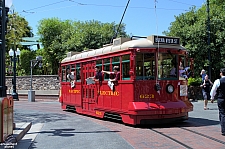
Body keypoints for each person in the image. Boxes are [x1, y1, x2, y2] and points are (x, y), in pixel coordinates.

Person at [210, 68, 225, 136]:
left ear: (221, 73)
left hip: (221, 98)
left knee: (222, 114)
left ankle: (224, 130)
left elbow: (213, 90)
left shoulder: (218, 81)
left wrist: (212, 97)